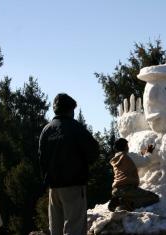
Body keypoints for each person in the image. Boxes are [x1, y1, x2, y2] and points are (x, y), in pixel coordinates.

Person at [39, 93, 99, 235]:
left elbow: (41, 158)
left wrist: (47, 179)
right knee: (75, 227)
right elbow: (93, 151)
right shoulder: (75, 128)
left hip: (54, 187)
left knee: (56, 228)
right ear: (70, 109)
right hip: (74, 185)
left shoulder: (46, 130)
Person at [108, 138, 159, 212]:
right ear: (125, 147)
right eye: (127, 145)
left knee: (132, 197)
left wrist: (141, 154)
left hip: (116, 190)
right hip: (128, 189)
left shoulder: (116, 159)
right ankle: (125, 203)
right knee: (154, 197)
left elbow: (133, 161)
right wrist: (149, 152)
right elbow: (145, 161)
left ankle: (119, 200)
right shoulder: (128, 156)